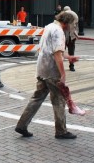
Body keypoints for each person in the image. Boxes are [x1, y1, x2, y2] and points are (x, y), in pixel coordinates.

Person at [14, 11, 80, 139]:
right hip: (51, 71)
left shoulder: (49, 26)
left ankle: (22, 125)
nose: (74, 26)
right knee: (59, 100)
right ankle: (61, 131)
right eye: (74, 23)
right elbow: (56, 54)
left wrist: (68, 57)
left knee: (37, 98)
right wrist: (63, 74)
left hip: (42, 69)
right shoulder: (59, 32)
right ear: (67, 22)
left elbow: (54, 50)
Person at [63, 6, 79, 72]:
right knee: (71, 51)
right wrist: (76, 35)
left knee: (61, 51)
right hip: (71, 36)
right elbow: (76, 27)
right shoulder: (74, 15)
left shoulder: (63, 15)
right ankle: (71, 66)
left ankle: (58, 66)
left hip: (64, 35)